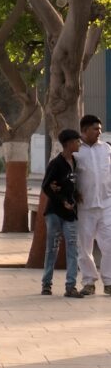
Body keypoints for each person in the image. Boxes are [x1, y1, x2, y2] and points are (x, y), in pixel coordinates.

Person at [41, 129, 84, 298]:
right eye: (77, 141)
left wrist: (74, 197)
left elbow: (71, 184)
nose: (79, 144)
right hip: (54, 213)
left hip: (71, 213)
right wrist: (61, 200)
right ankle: (46, 284)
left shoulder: (75, 162)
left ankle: (70, 286)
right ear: (68, 144)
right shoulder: (56, 163)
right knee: (52, 248)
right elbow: (46, 186)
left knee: (73, 248)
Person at [73, 114, 111, 296]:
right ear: (85, 131)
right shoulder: (76, 152)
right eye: (96, 129)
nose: (99, 132)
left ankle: (109, 281)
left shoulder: (106, 149)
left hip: (106, 205)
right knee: (84, 247)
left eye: (100, 129)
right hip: (84, 207)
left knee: (109, 244)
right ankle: (88, 282)